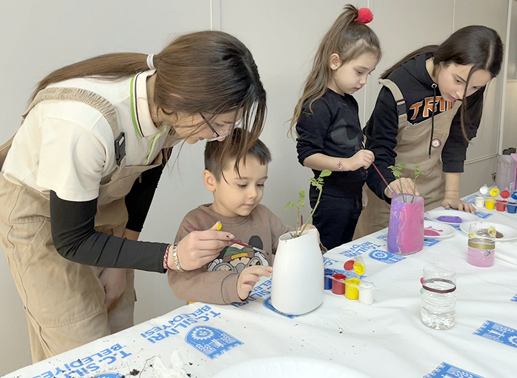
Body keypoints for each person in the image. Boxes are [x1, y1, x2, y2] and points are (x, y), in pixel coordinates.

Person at [0, 30, 266, 361]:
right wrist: (172, 257)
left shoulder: (169, 108)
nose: (220, 136)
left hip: (104, 204)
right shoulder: (85, 126)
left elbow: (147, 172)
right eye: (219, 126)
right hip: (44, 218)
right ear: (186, 100)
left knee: (120, 329)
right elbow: (71, 240)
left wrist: (120, 261)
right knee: (82, 346)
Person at [354, 25, 503, 238]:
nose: (462, 94)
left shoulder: (473, 84)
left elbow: (458, 139)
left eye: (475, 88)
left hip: (433, 191)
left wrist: (451, 195)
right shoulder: (400, 84)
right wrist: (392, 189)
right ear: (443, 60)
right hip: (389, 193)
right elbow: (378, 150)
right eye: (458, 81)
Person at [291, 5, 408, 250]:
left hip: (351, 197)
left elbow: (351, 145)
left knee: (344, 250)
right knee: (327, 254)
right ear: (335, 61)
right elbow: (308, 157)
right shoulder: (318, 105)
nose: (364, 81)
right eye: (359, 72)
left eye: (369, 73)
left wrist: (358, 188)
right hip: (330, 199)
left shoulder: (349, 102)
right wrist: (350, 164)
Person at [169, 128, 299, 304]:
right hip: (213, 319)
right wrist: (233, 286)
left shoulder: (263, 215)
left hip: (258, 311)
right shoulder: (195, 223)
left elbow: (289, 243)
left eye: (260, 184)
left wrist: (305, 238)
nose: (254, 193)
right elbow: (183, 282)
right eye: (242, 184)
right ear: (211, 181)